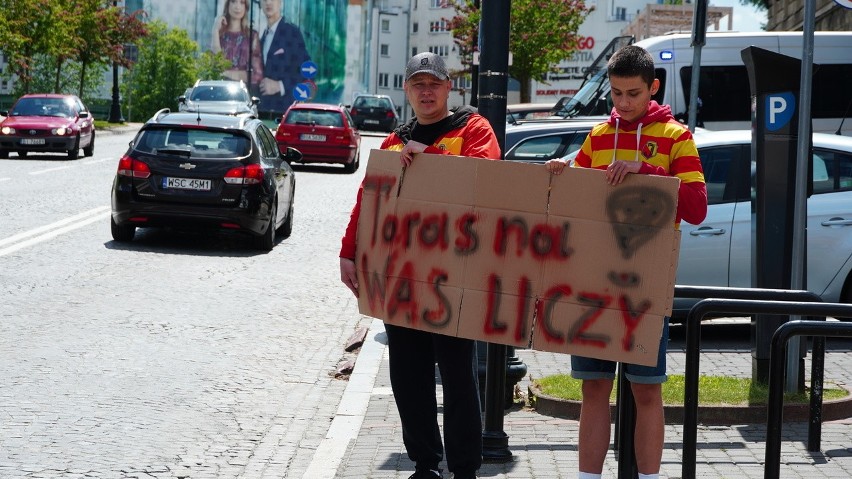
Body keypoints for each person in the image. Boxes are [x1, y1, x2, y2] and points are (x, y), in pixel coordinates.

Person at [545, 45, 707, 479]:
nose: (623, 103)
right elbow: (575, 198)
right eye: (616, 93)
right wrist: (561, 173)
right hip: (592, 284)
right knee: (594, 389)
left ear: (653, 88)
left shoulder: (676, 137)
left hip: (644, 288)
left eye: (633, 93)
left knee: (646, 392)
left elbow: (696, 207)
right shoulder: (597, 136)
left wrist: (647, 173)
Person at [339, 52, 501, 479]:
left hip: (456, 277)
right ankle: (426, 464)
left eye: (434, 84)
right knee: (408, 377)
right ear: (407, 91)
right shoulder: (395, 141)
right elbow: (367, 201)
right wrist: (348, 251)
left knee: (457, 374)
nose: (426, 92)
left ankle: (465, 468)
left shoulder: (473, 128)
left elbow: (485, 178)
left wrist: (426, 157)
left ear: (450, 88)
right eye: (418, 85)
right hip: (404, 278)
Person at [258, 0, 311, 114]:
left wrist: (280, 86)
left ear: (280, 2)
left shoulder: (292, 32)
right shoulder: (263, 37)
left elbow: (307, 74)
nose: (268, 3)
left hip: (286, 112)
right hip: (265, 111)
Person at [210, 0, 264, 89]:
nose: (237, 7)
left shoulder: (252, 36)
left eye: (242, 2)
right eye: (233, 1)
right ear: (227, 4)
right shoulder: (219, 35)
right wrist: (215, 31)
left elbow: (256, 75)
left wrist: (226, 73)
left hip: (243, 93)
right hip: (220, 91)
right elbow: (214, 68)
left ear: (245, 7)